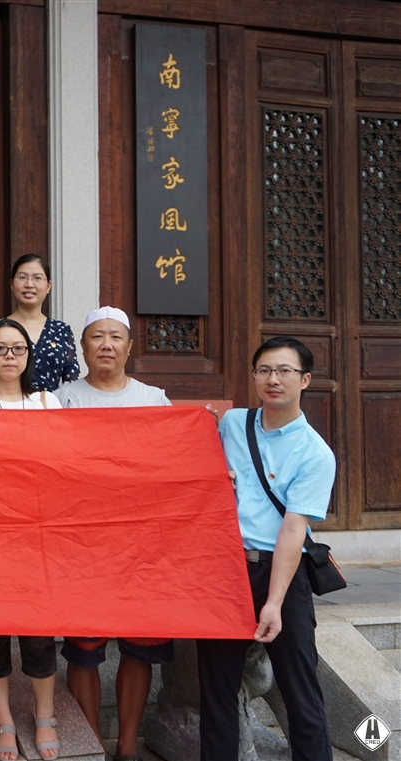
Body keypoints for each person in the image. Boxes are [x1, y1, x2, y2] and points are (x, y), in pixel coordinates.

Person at [196, 336, 335, 761]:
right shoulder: (233, 424)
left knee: (300, 691)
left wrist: (273, 602)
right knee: (216, 689)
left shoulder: (315, 453)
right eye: (264, 370)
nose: (273, 379)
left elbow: (293, 530)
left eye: (284, 371)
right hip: (224, 571)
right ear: (255, 376)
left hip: (281, 574)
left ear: (304, 380)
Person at [55, 307, 172, 761]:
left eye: (115, 337)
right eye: (96, 336)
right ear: (83, 347)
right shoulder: (61, 399)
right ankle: (91, 744)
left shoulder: (153, 399)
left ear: (129, 347)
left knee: (139, 647)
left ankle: (126, 745)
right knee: (84, 647)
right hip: (80, 542)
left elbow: (173, 463)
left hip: (139, 543)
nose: (106, 345)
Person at [0, 318, 60, 761]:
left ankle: (45, 715)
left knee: (39, 630)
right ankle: (2, 717)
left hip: (36, 533)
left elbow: (64, 463)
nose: (8, 356)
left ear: (28, 355)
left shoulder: (47, 401)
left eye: (17, 348)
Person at [0, 254, 79, 392]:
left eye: (37, 278)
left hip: (50, 404)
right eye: (22, 277)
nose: (29, 284)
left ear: (48, 286)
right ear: (12, 284)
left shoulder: (62, 330)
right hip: (5, 403)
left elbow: (71, 381)